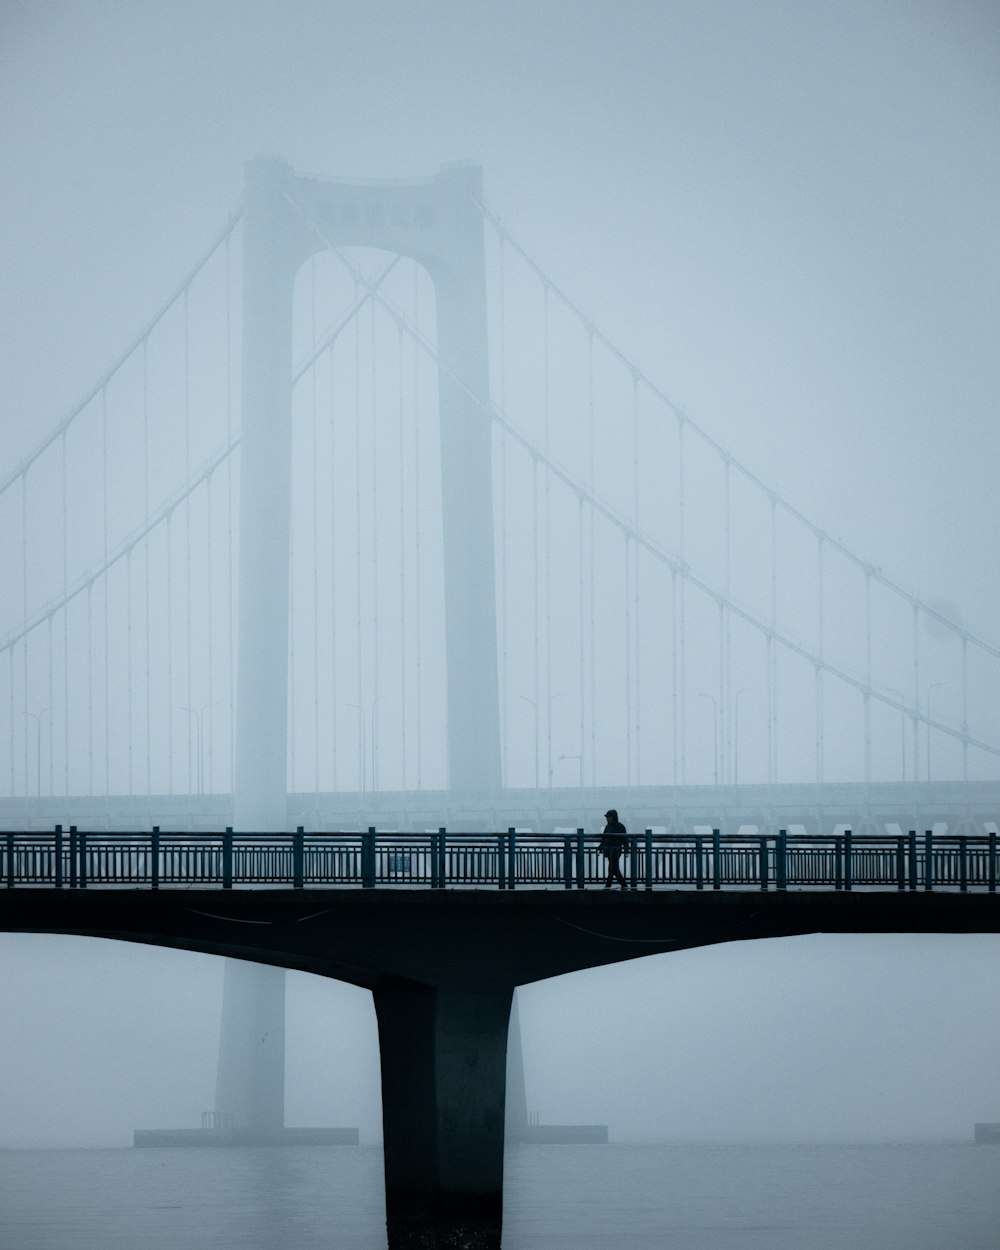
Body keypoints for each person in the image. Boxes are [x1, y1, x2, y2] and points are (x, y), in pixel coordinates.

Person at [599, 808, 629, 889]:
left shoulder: (620, 827)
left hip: (616, 851)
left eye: (609, 817)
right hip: (609, 851)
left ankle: (608, 885)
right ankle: (623, 885)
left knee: (612, 868)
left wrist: (627, 850)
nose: (607, 819)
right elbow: (604, 838)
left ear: (614, 817)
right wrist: (600, 847)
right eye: (607, 817)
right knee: (614, 869)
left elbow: (624, 840)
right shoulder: (607, 827)